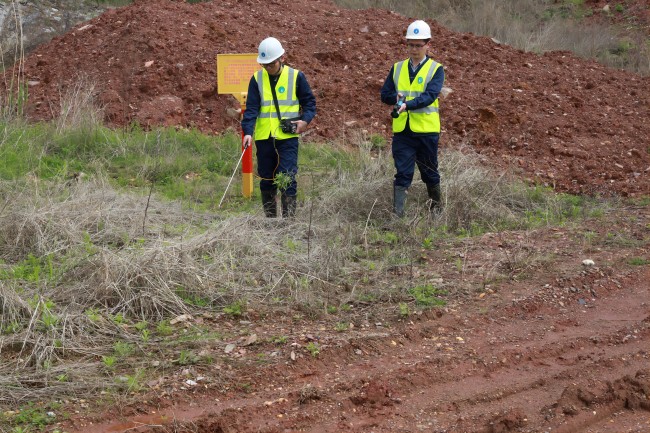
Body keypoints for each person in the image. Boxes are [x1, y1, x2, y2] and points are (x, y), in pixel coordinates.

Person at [242, 37, 316, 218]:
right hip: (264, 138)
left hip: (287, 137)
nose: (268, 68)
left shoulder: (296, 76)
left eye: (271, 64)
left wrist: (305, 121)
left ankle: (288, 223)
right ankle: (271, 222)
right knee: (267, 179)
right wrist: (248, 132)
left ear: (281, 58)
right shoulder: (257, 79)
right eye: (264, 64)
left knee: (287, 177)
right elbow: (251, 109)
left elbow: (309, 103)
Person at [380, 20, 445, 218]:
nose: (414, 49)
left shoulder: (436, 69)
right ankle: (398, 217)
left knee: (429, 172)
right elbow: (385, 94)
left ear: (428, 44)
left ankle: (436, 212)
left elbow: (430, 96)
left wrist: (407, 104)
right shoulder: (397, 68)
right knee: (402, 173)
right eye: (410, 45)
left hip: (426, 131)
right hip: (403, 131)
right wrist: (396, 98)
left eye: (418, 45)